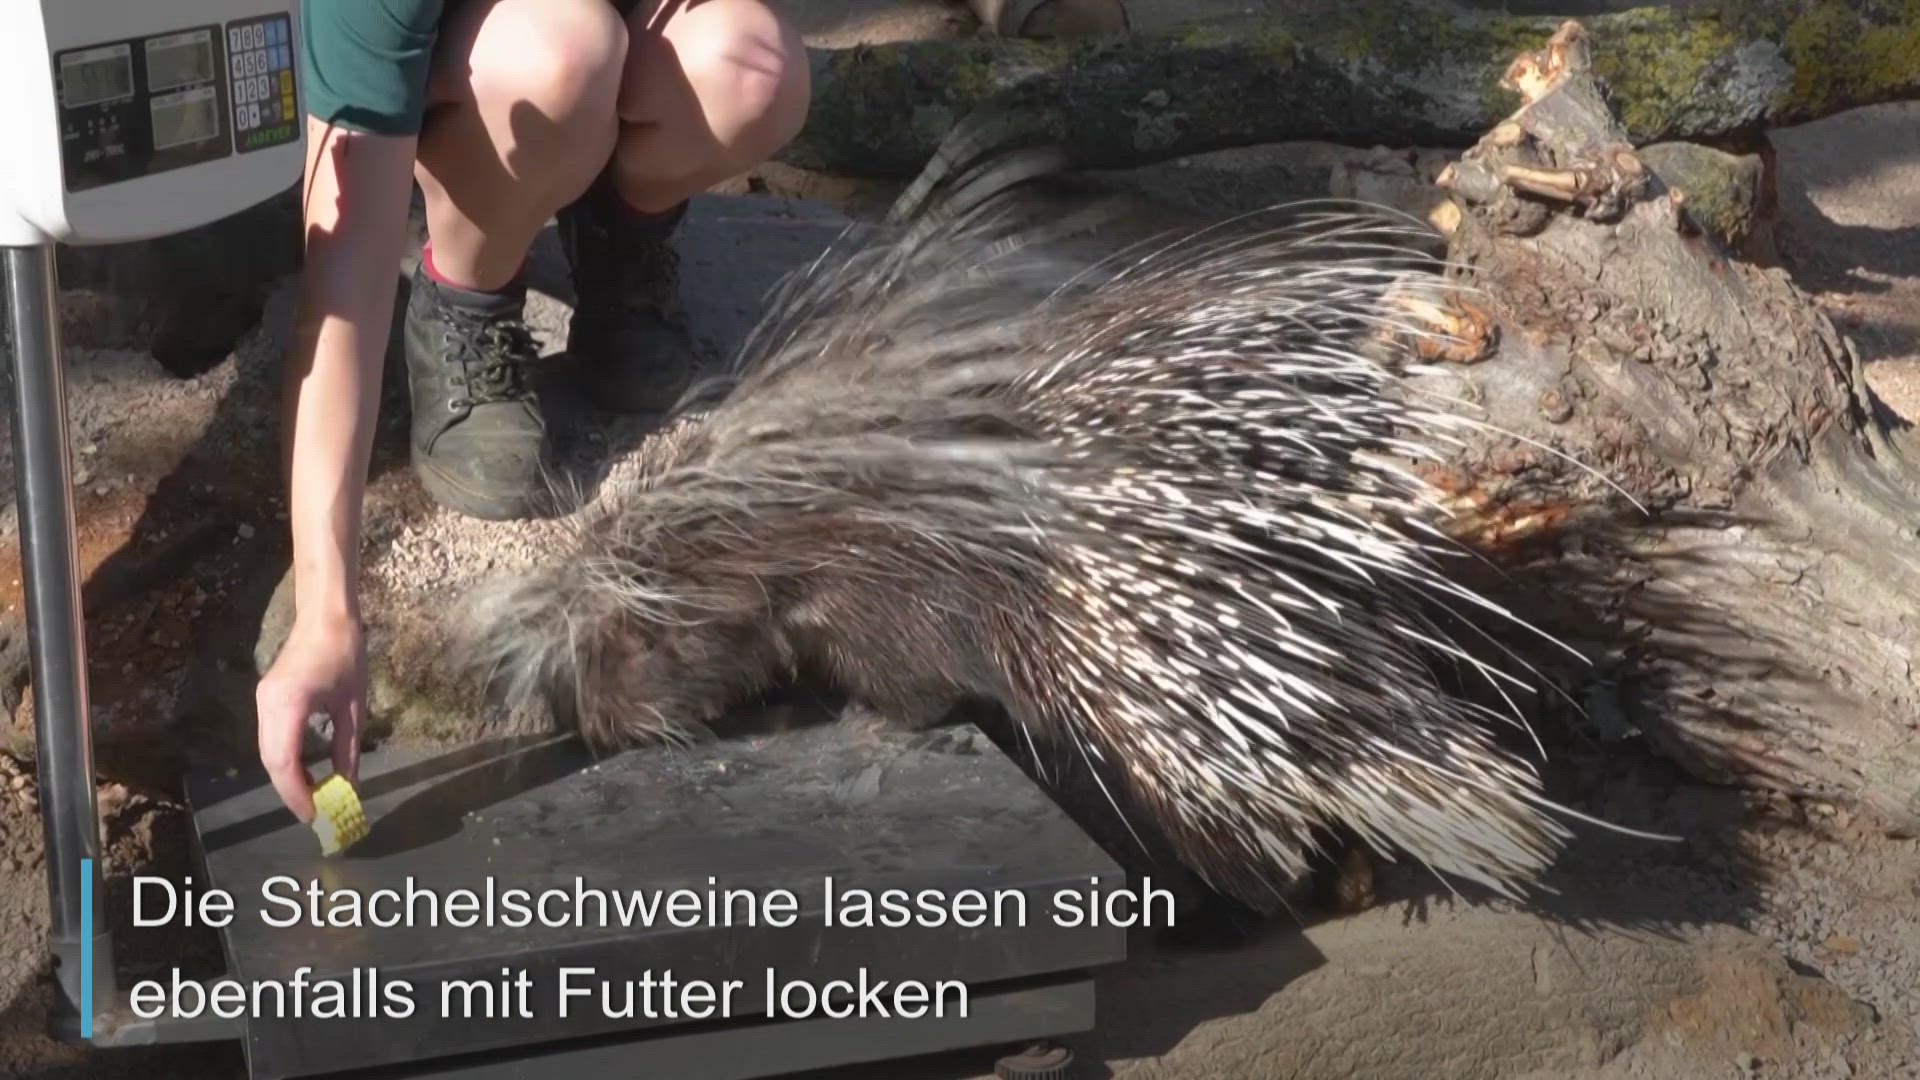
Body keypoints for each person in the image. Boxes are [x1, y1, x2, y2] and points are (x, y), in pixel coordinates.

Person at [254, 0, 810, 822]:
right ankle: (465, 289)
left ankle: (618, 236)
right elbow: (343, 292)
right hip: (489, 76)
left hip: (580, 66)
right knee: (561, 59)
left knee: (752, 69)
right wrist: (325, 615)